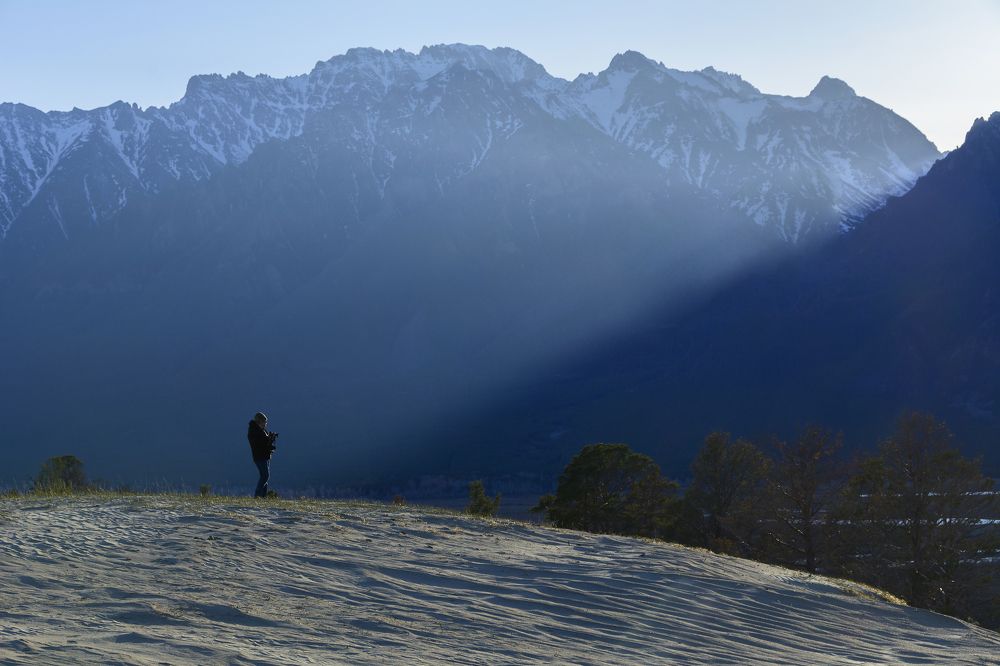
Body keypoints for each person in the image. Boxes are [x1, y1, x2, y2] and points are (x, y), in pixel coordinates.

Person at [247, 412, 277, 498]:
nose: (265, 424)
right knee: (265, 476)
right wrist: (269, 439)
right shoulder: (255, 431)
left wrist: (270, 439)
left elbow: (264, 442)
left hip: (264, 456)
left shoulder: (260, 430)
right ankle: (257, 495)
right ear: (259, 422)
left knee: (264, 476)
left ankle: (262, 496)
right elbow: (260, 443)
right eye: (264, 422)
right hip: (260, 457)